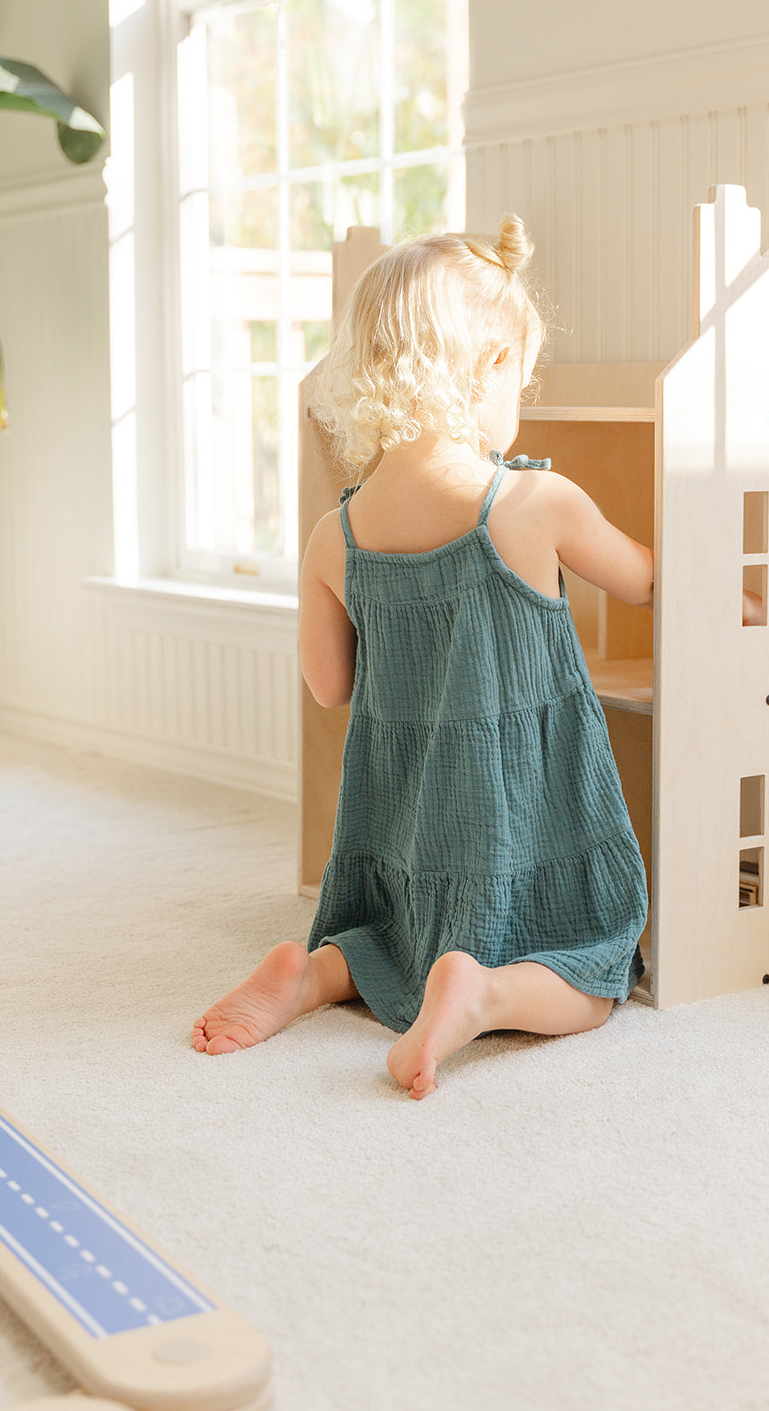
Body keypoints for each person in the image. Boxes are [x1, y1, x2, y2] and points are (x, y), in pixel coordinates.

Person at [193, 214, 654, 1098]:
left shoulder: (338, 533)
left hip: (400, 822)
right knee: (596, 970)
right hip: (522, 817)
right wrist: (739, 593)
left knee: (388, 940)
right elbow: (638, 579)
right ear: (488, 366)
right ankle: (484, 991)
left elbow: (329, 687)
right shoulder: (532, 501)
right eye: (522, 374)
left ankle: (314, 970)